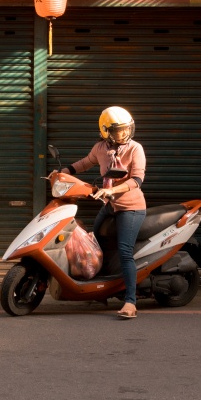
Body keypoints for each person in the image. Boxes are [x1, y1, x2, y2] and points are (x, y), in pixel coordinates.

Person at [63, 106, 146, 320]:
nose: (125, 133)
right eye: (119, 130)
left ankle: (130, 301)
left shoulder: (135, 149)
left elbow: (136, 180)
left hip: (131, 208)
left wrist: (112, 190)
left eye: (127, 129)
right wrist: (65, 171)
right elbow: (85, 162)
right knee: (94, 243)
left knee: (125, 252)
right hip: (110, 206)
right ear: (106, 131)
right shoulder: (100, 148)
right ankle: (101, 289)